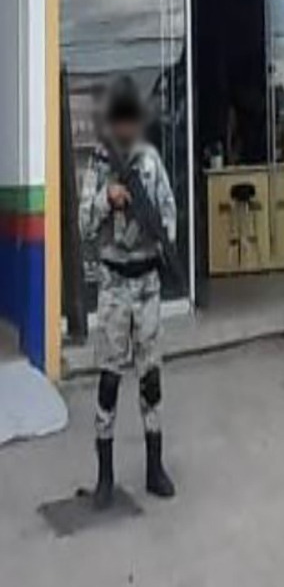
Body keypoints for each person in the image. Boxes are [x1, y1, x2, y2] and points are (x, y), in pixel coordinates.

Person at [79, 75, 176, 508]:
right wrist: (108, 197)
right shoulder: (99, 166)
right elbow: (84, 224)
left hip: (148, 285)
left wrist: (159, 233)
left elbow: (168, 213)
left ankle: (155, 467)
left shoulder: (150, 162)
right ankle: (105, 477)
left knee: (150, 377)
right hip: (115, 286)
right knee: (110, 379)